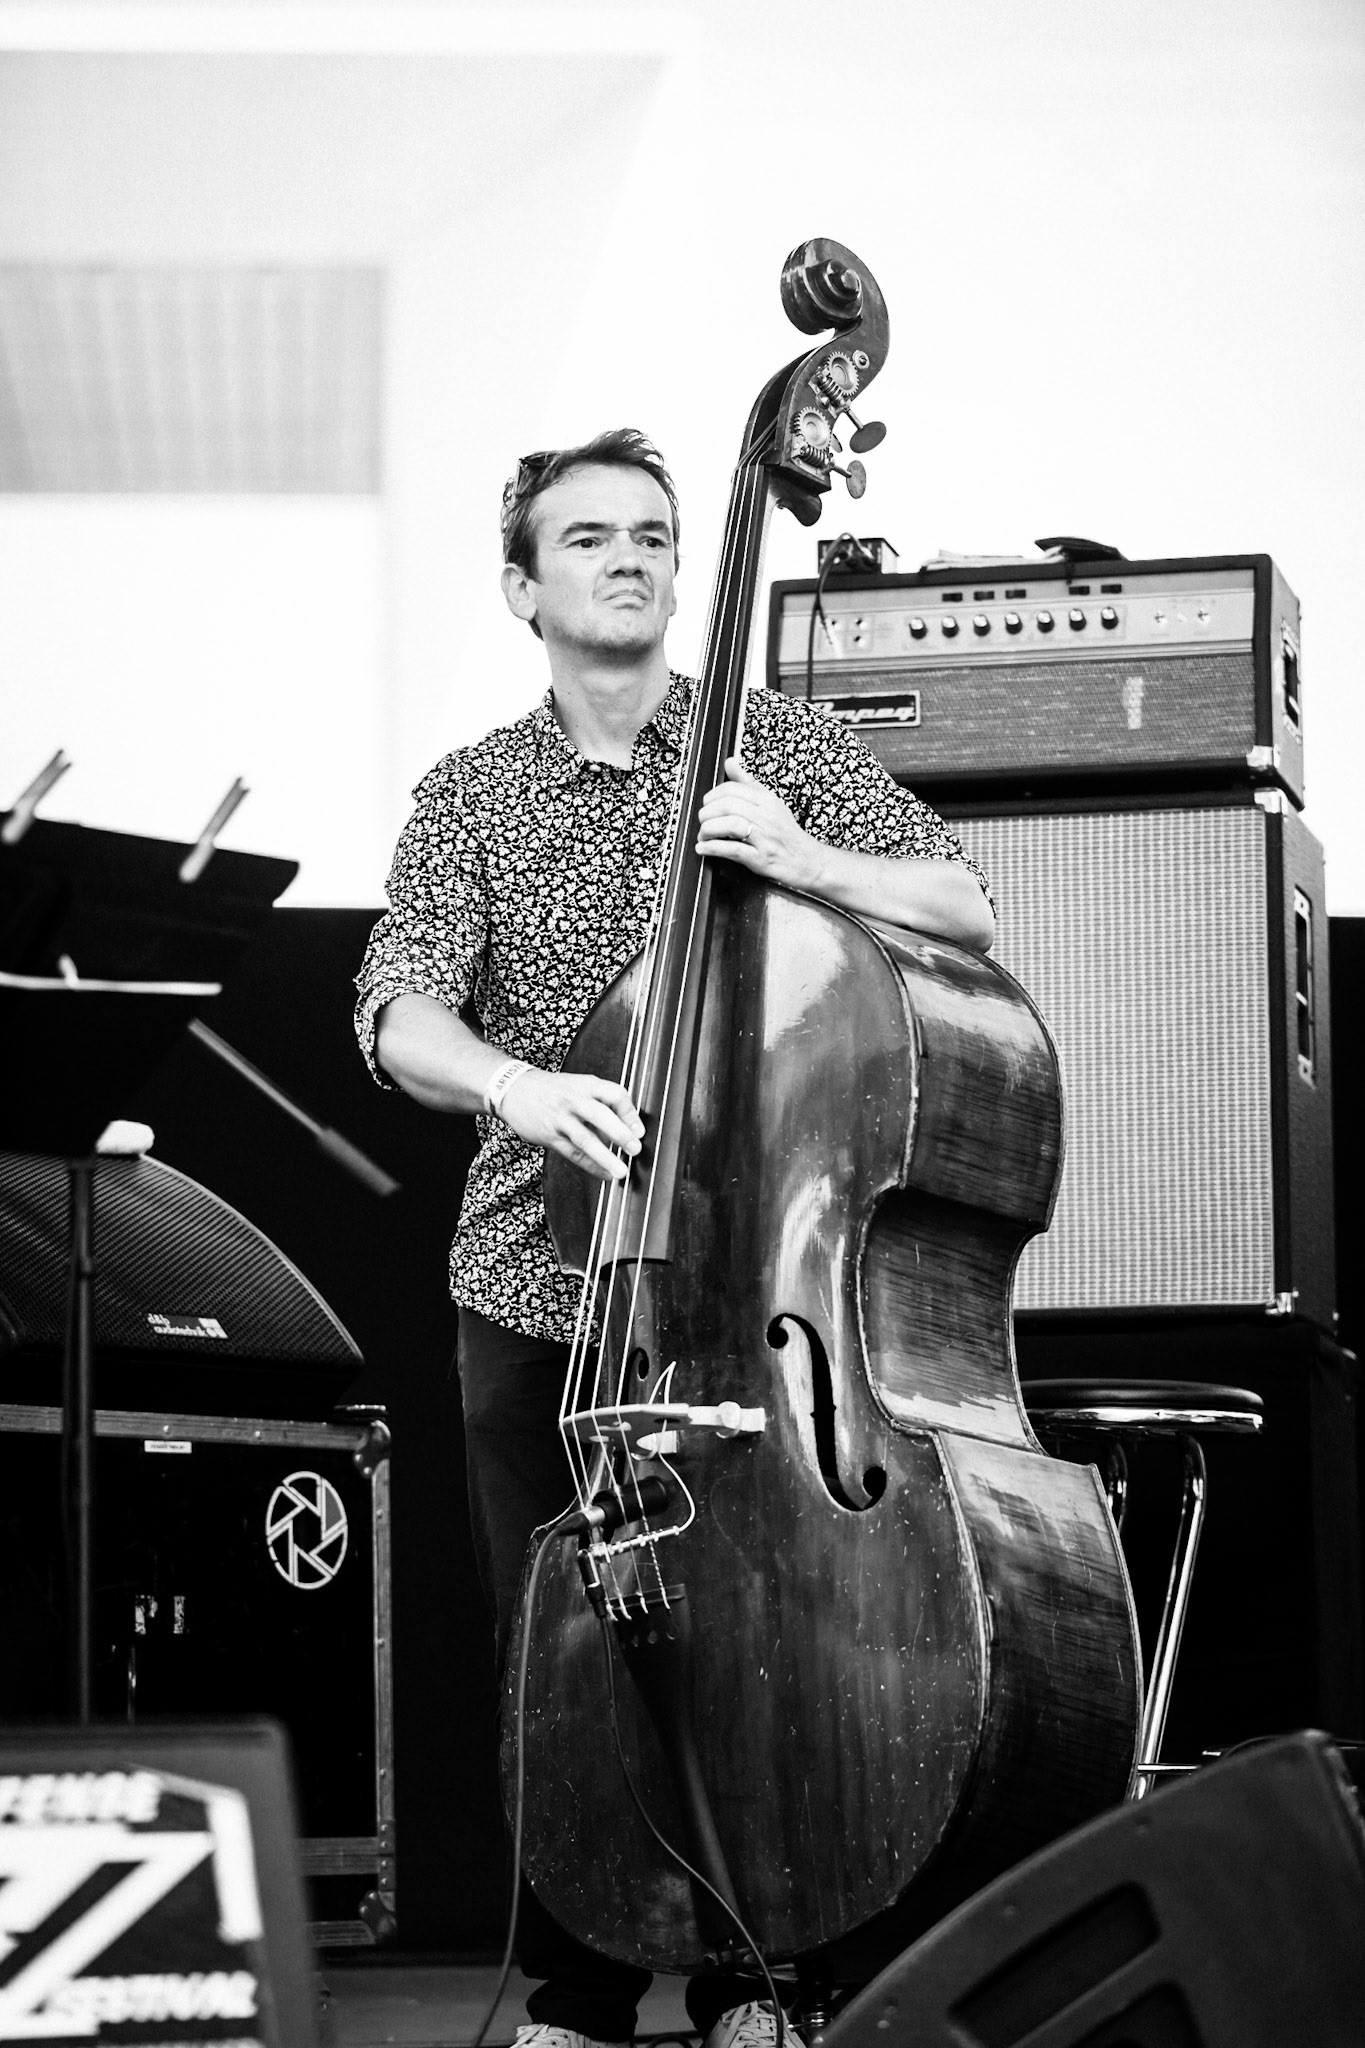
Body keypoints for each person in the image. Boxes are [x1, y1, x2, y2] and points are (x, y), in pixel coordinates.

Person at [355, 429, 994, 2048]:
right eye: (587, 540)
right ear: (524, 586)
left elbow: (961, 900)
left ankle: (748, 1972)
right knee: (557, 1658)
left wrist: (791, 852)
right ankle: (579, 1987)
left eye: (651, 534)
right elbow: (397, 1012)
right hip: (539, 1289)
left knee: (759, 1639)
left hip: (751, 1287)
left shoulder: (769, 742)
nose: (630, 558)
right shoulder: (473, 794)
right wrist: (515, 1084)